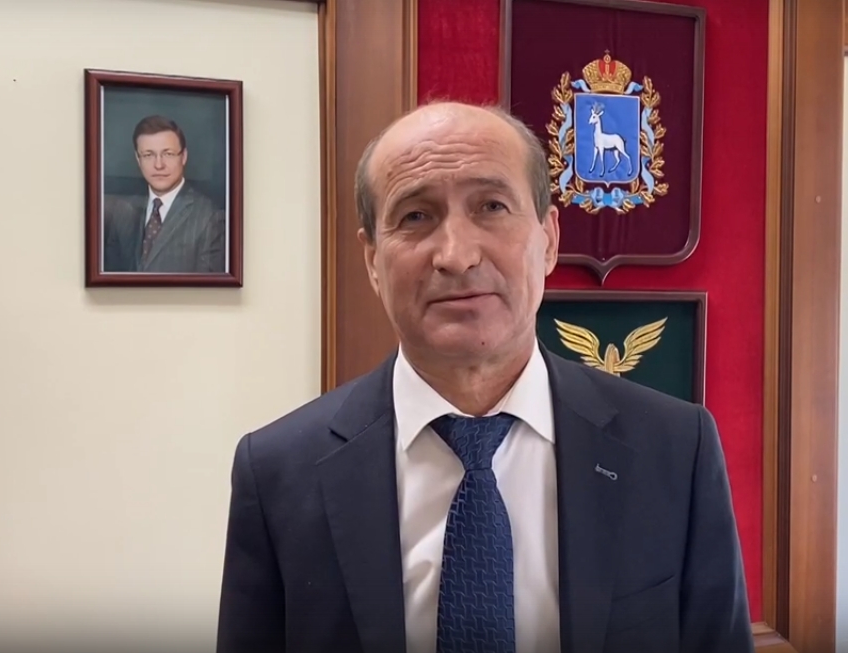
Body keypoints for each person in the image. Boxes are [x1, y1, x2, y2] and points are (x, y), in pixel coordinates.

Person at [216, 101, 753, 653]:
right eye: (416, 217)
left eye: (492, 206)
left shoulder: (674, 448)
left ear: (548, 239)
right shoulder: (277, 472)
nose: (456, 255)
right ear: (372, 259)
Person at [103, 115, 226, 273]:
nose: (159, 165)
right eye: (148, 155)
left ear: (183, 157)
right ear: (138, 159)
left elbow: (211, 286)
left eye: (168, 154)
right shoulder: (122, 210)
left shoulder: (209, 216)